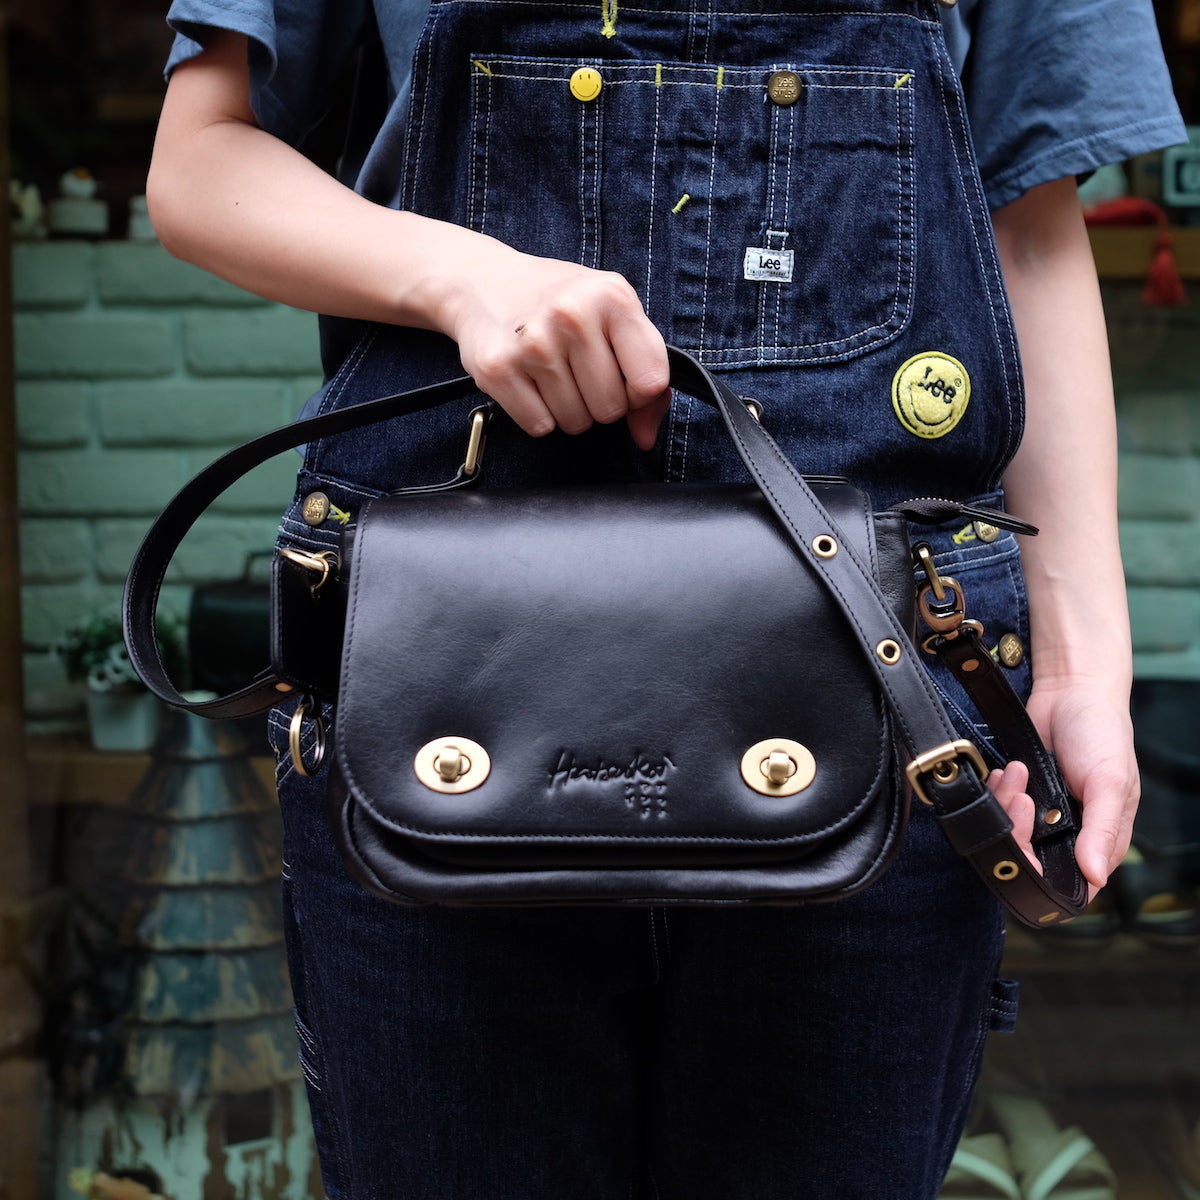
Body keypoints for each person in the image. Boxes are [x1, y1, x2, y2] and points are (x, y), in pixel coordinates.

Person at [147, 1, 1184, 1195]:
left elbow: (1031, 226)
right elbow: (199, 162)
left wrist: (1084, 667)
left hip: (889, 695)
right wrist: (466, 279)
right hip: (437, 679)